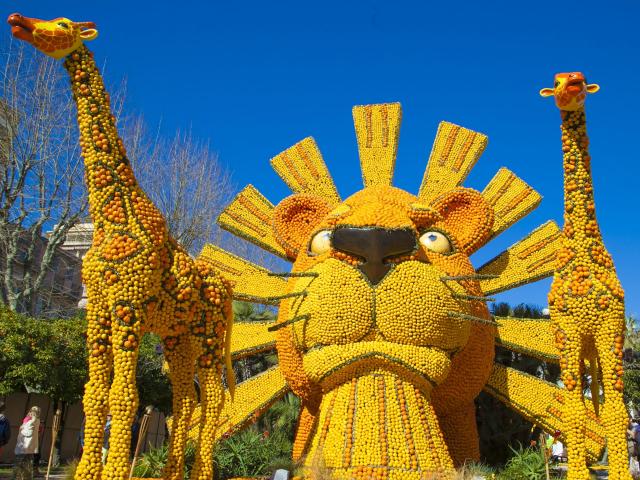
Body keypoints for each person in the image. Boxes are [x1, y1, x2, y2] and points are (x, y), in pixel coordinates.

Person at [13, 406, 40, 480]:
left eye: (32, 412)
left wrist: (22, 428)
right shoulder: (37, 421)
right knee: (28, 466)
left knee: (20, 466)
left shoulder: (32, 421)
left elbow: (26, 432)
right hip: (30, 448)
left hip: (24, 448)